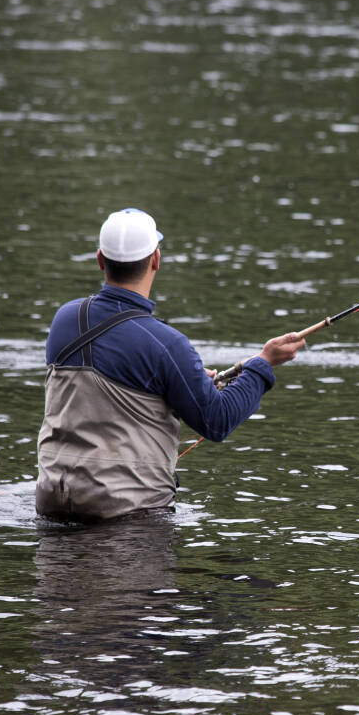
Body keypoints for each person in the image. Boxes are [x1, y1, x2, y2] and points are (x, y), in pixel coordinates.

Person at [35, 208, 305, 522]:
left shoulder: (65, 320)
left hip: (52, 502)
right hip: (129, 515)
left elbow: (108, 382)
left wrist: (175, 384)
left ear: (99, 259)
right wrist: (263, 365)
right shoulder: (167, 344)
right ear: (155, 260)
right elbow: (216, 421)